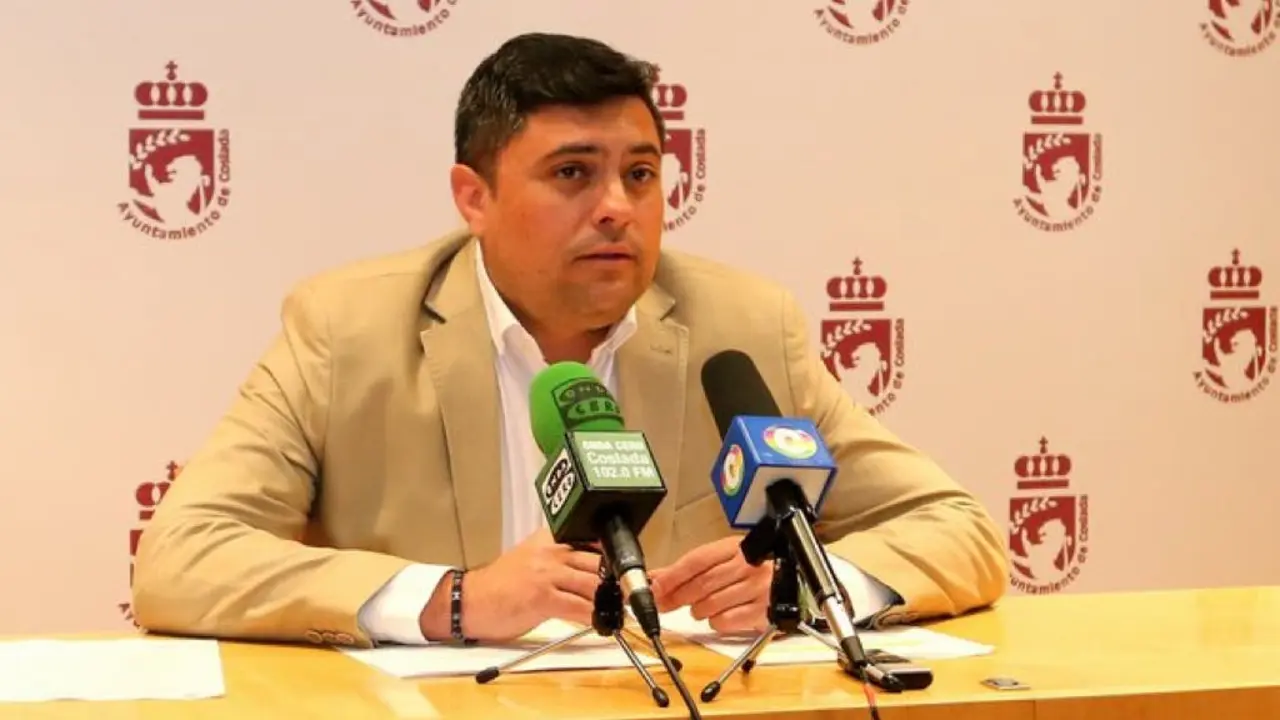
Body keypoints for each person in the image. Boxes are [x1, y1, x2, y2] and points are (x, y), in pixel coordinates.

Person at [131, 32, 1008, 649]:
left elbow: (957, 529)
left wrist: (808, 585)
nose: (618, 207)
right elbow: (182, 558)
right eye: (572, 173)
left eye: (640, 174)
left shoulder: (740, 329)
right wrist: (454, 599)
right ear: (473, 197)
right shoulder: (347, 330)